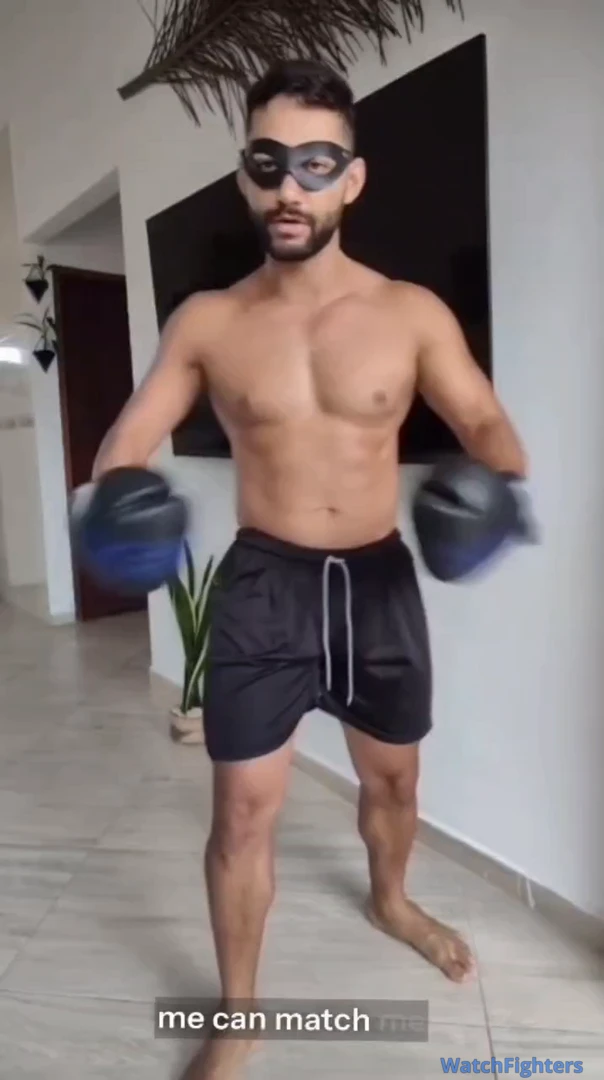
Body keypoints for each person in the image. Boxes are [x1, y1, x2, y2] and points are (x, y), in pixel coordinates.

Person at [93, 59, 528, 1080]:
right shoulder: (208, 320)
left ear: (351, 180)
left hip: (377, 586)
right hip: (264, 588)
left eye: (315, 163)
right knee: (242, 811)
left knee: (395, 779)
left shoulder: (410, 313)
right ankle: (239, 1012)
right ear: (245, 176)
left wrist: (495, 491)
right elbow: (128, 438)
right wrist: (121, 495)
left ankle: (390, 899)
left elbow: (486, 424)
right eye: (268, 162)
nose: (290, 186)